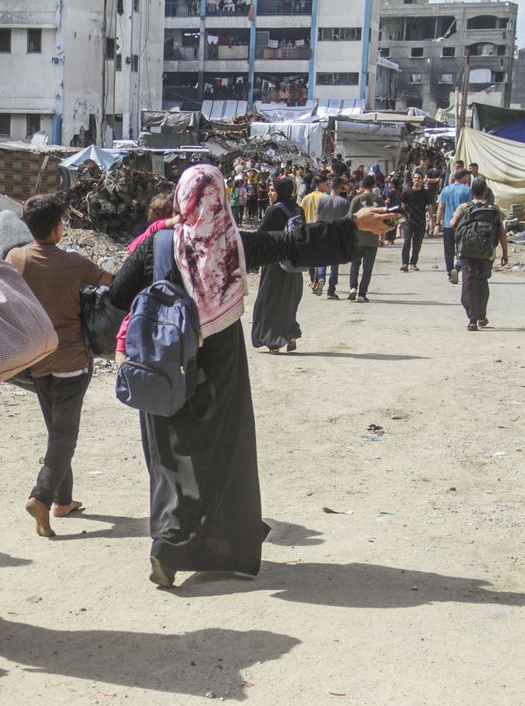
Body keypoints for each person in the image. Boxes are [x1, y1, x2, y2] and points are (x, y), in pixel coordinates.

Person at [107, 164, 397, 588]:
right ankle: (230, 542)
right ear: (220, 198)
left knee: (171, 457)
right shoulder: (234, 244)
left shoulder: (159, 244)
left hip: (166, 363)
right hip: (220, 362)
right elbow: (293, 244)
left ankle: (167, 546)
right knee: (224, 453)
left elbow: (118, 295)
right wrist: (353, 227)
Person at [7, 194, 111, 538]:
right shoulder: (74, 263)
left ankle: (63, 501)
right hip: (71, 363)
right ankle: (41, 496)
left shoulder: (15, 258)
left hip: (36, 364)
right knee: (65, 436)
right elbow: (114, 284)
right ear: (57, 228)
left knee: (57, 432)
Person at [250, 177, 305, 354]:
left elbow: (261, 236)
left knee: (269, 301)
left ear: (281, 191)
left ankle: (273, 342)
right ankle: (290, 335)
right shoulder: (298, 209)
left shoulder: (274, 211)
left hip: (274, 263)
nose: (270, 193)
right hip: (293, 263)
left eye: (273, 190)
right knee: (288, 301)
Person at [452, 177, 508, 331]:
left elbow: (452, 224)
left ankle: (472, 319)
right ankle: (482, 317)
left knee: (469, 283)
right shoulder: (495, 209)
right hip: (487, 252)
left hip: (467, 252)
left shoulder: (464, 207)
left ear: (471, 191)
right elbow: (502, 232)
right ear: (486, 191)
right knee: (482, 283)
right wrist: (505, 253)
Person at [347, 175, 383, 302]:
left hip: (357, 238)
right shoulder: (379, 200)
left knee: (355, 264)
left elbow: (350, 218)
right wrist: (382, 236)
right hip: (372, 239)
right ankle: (362, 293)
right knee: (367, 268)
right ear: (373, 186)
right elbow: (384, 220)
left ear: (362, 186)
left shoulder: (356, 200)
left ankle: (353, 288)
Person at [315, 175, 352, 298]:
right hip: (337, 236)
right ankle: (331, 291)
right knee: (335, 265)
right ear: (341, 187)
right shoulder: (345, 202)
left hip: (323, 233)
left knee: (321, 260)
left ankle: (321, 278)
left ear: (330, 186)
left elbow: (318, 219)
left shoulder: (322, 200)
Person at [438, 169, 473, 283]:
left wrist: (437, 223)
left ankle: (449, 272)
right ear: (463, 177)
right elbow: (470, 208)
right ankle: (457, 268)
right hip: (462, 225)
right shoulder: (467, 190)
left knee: (448, 250)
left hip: (448, 224)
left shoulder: (445, 190)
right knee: (462, 249)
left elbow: (441, 207)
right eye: (467, 176)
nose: (468, 178)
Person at [300, 173, 329, 293]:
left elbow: (301, 215)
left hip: (308, 230)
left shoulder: (306, 198)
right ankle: (320, 278)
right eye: (327, 184)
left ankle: (313, 281)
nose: (328, 186)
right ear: (321, 184)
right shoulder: (325, 198)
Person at [400, 171, 430, 272]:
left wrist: (432, 221)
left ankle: (413, 263)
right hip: (409, 221)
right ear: (412, 180)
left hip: (421, 221)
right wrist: (401, 219)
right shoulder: (407, 192)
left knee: (417, 244)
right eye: (415, 178)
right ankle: (404, 263)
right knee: (407, 242)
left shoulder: (425, 193)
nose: (417, 180)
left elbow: (430, 207)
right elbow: (403, 207)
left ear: (422, 180)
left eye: (419, 178)